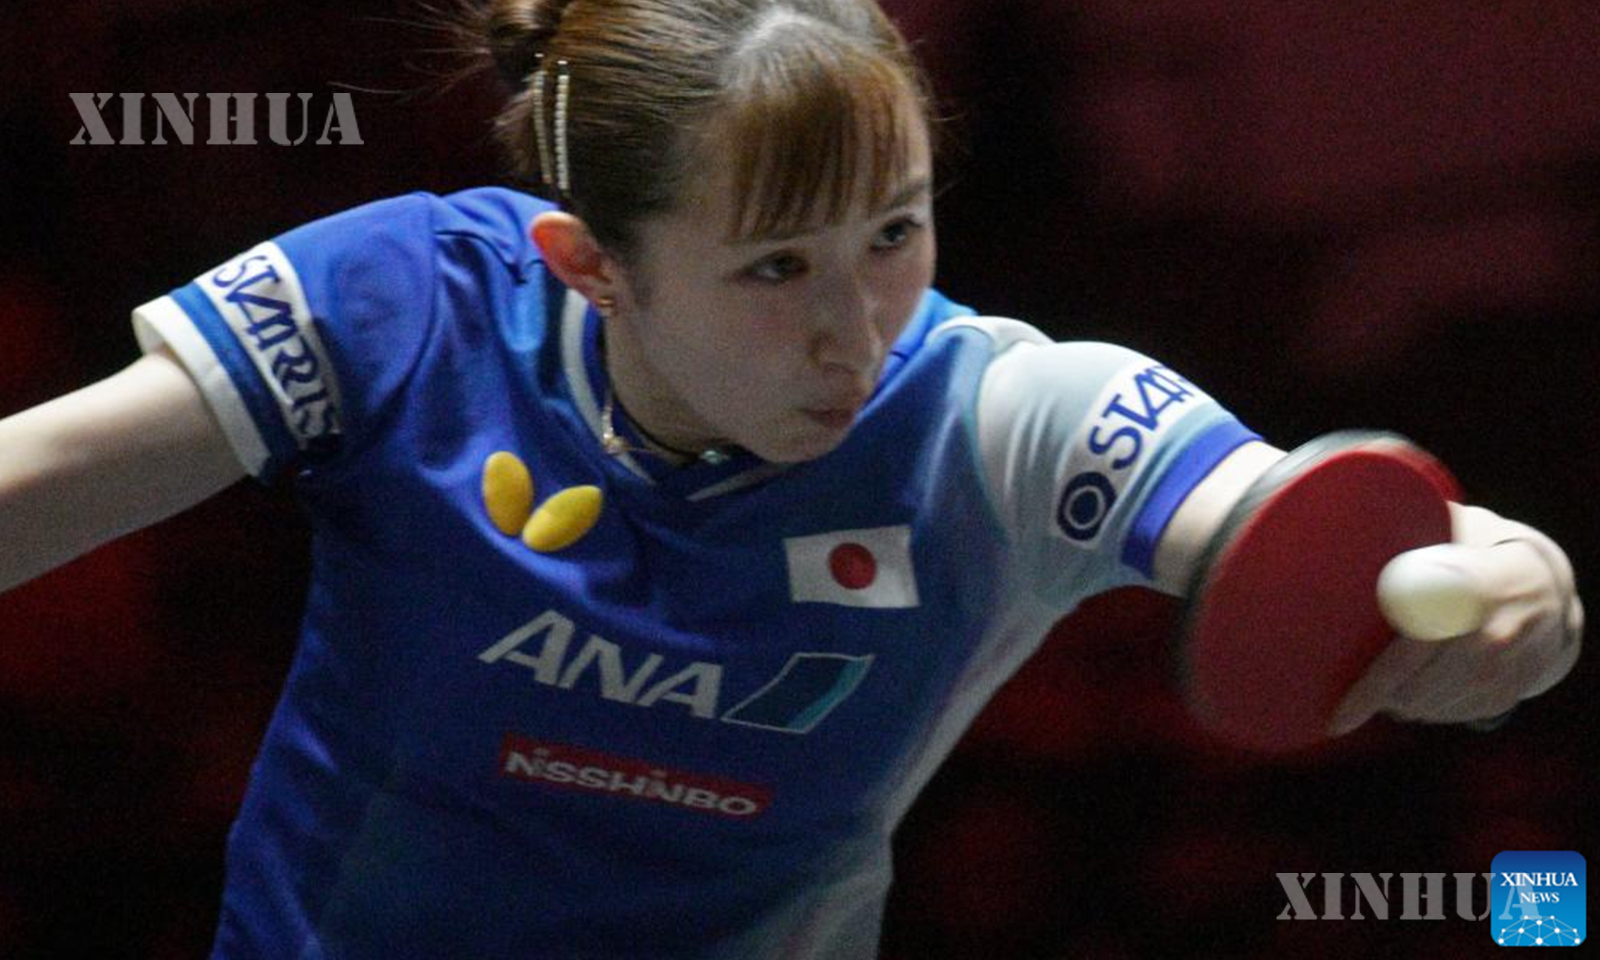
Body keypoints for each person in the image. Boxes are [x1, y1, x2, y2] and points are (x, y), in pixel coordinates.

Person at [0, 0, 1581, 956]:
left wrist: (1517, 583)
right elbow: (51, 471)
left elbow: (1294, 520)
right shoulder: (410, 309)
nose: (855, 332)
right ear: (591, 265)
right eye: (774, 268)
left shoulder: (998, 422)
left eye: (893, 233)